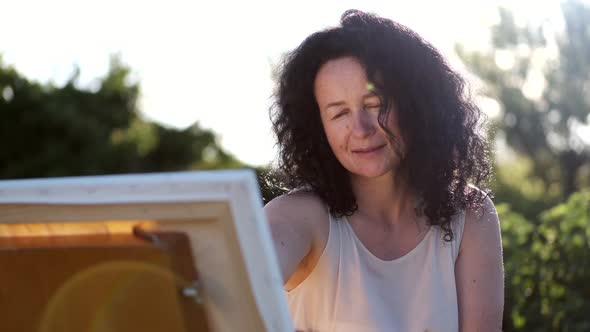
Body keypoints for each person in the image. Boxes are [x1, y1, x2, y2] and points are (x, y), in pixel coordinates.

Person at [265, 9, 504, 332]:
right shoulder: (299, 216)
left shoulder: (471, 215)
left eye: (376, 104)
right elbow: (233, 294)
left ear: (417, 104)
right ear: (317, 127)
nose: (360, 128)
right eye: (339, 114)